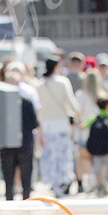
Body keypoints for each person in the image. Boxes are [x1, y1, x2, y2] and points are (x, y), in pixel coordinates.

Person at [0, 59, 39, 201]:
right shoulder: (26, 101)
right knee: (25, 178)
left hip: (9, 145)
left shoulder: (1, 103)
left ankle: (11, 202)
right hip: (24, 143)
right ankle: (25, 202)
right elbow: (34, 123)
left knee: (9, 179)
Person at [35, 58, 78, 194]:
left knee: (50, 155)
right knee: (63, 154)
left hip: (46, 124)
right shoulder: (62, 82)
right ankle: (62, 181)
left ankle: (53, 182)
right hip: (61, 123)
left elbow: (38, 107)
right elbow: (71, 101)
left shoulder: (39, 85)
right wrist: (78, 113)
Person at [82, 97, 108, 196]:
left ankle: (99, 185)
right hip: (107, 147)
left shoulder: (94, 118)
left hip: (95, 148)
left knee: (97, 167)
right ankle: (104, 184)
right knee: (106, 166)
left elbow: (84, 126)